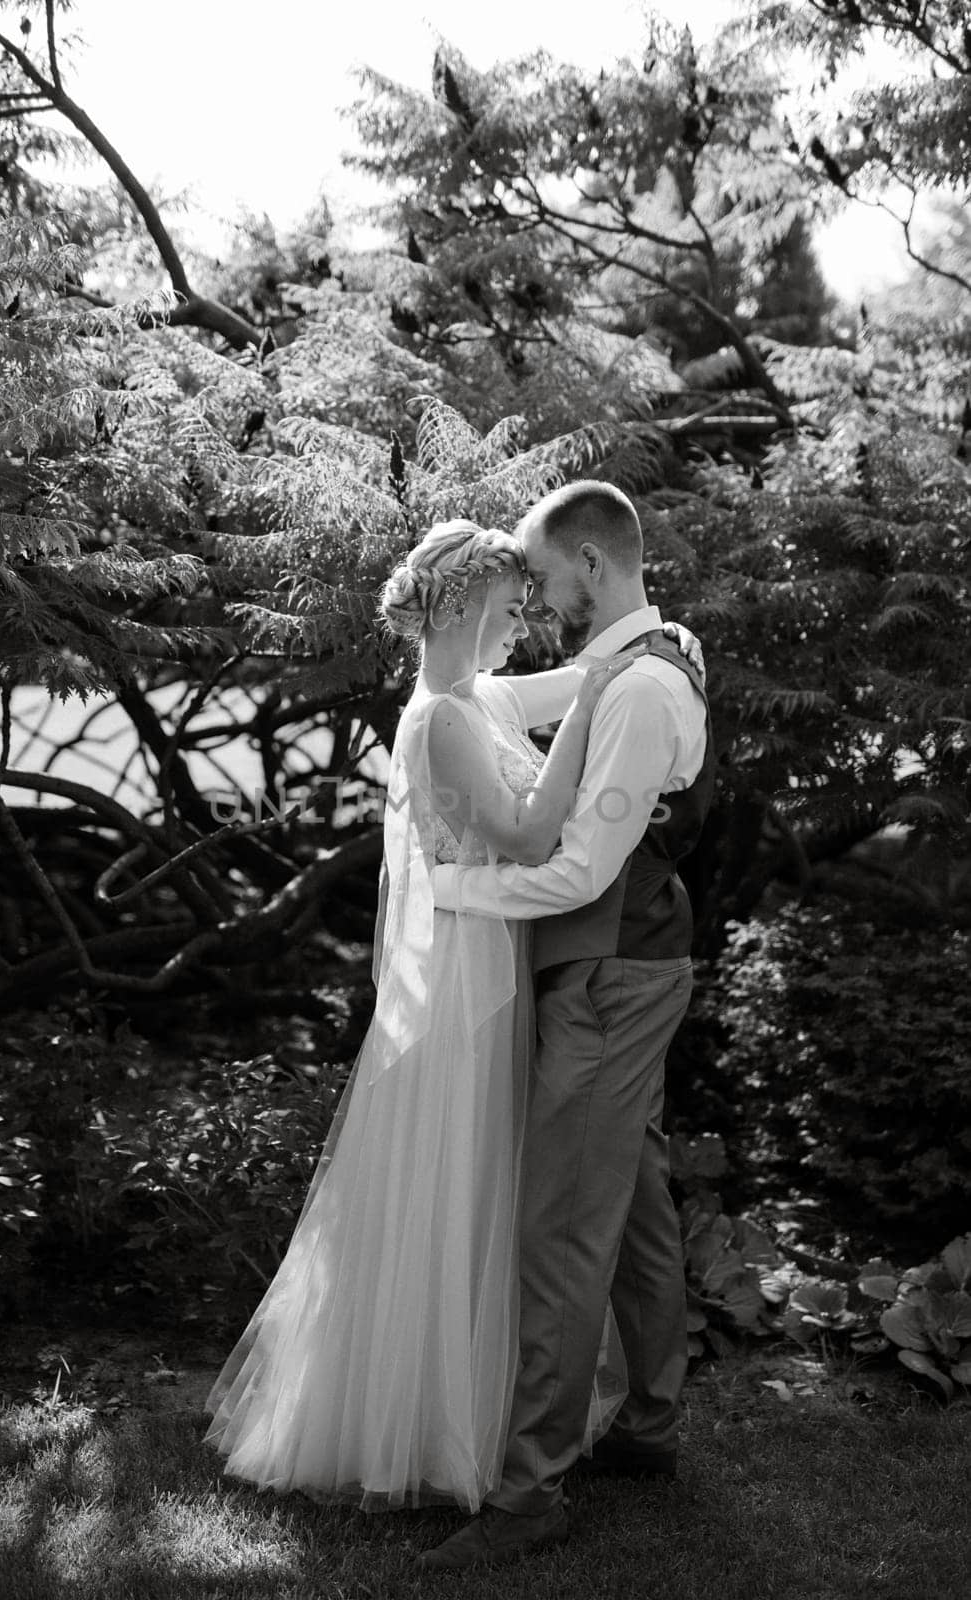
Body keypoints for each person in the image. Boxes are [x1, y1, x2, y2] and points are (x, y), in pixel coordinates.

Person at [202, 518, 644, 1510]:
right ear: (461, 607)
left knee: (483, 1171)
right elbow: (528, 838)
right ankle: (440, 1425)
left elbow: (567, 687)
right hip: (462, 975)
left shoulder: (476, 695)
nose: (522, 622)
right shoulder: (440, 716)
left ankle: (468, 1402)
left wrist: (643, 652)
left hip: (485, 951)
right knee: (462, 1170)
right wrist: (594, 733)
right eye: (508, 606)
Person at [420, 480, 716, 1569]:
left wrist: (457, 899)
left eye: (544, 578)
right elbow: (535, 711)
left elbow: (584, 866)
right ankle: (648, 1427)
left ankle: (531, 1489)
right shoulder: (651, 660)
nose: (538, 601)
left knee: (559, 1226)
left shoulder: (639, 689)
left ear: (591, 563)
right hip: (627, 964)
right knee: (632, 1204)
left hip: (606, 976)